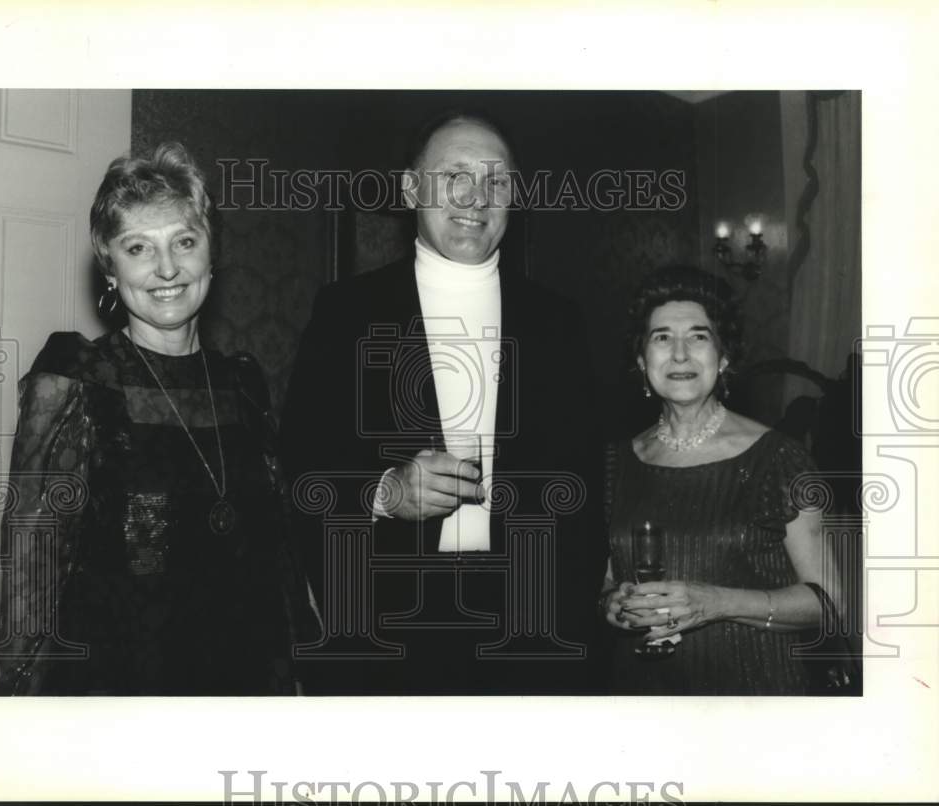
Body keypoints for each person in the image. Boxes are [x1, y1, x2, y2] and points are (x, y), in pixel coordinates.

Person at [280, 112, 605, 695]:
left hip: (532, 628)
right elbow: (302, 459)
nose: (475, 198)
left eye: (496, 180)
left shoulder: (560, 321)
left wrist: (574, 614)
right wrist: (386, 491)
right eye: (454, 175)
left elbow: (587, 486)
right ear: (410, 190)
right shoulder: (346, 311)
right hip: (387, 622)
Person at [0, 142, 319, 695]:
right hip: (121, 685)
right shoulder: (77, 379)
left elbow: (278, 545)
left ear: (211, 255)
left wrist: (303, 664)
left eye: (184, 242)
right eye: (138, 247)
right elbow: (33, 555)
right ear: (110, 269)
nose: (167, 268)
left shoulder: (241, 381)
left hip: (248, 673)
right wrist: (22, 694)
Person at [599, 266, 843, 695]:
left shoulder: (779, 458)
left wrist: (715, 604)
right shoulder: (612, 462)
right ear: (641, 361)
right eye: (661, 338)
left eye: (698, 336)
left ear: (724, 357)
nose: (679, 354)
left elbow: (830, 603)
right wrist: (613, 605)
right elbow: (605, 582)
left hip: (755, 692)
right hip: (643, 691)